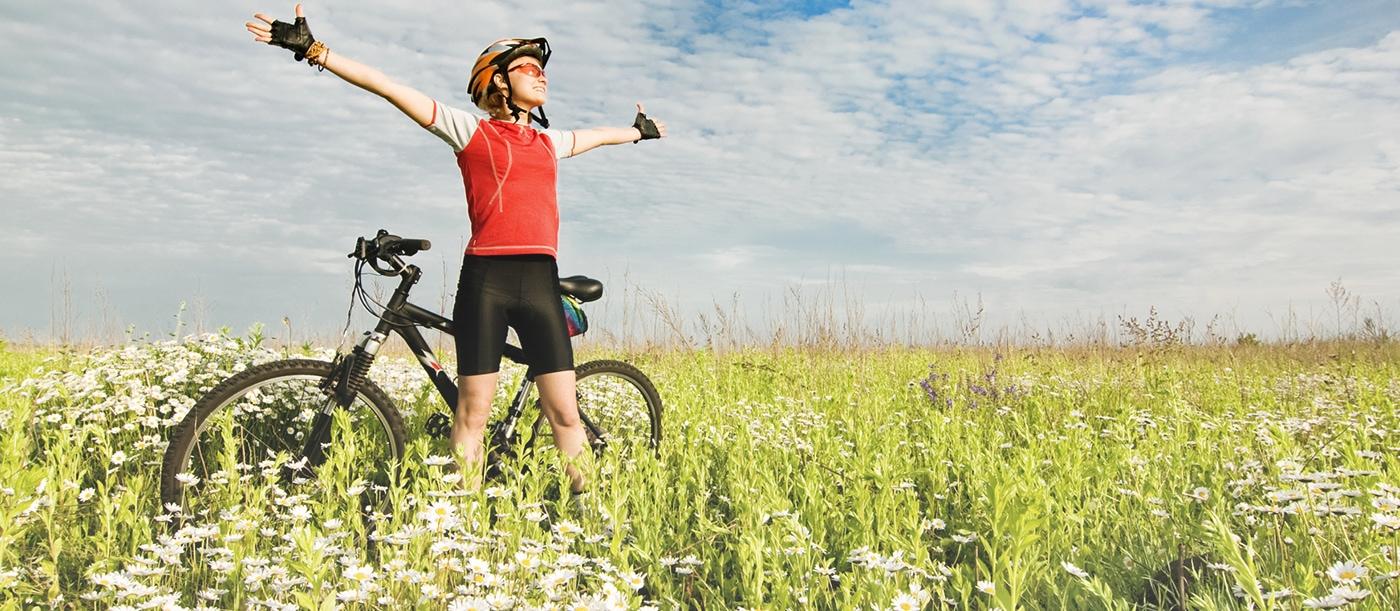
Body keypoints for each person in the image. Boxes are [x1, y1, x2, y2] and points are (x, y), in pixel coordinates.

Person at [245, 4, 666, 494]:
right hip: (486, 282)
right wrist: (317, 51)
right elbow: (388, 87)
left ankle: (591, 516)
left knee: (565, 416)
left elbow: (597, 137)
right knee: (471, 415)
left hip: (540, 283)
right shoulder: (470, 130)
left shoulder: (549, 143)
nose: (541, 75)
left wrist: (637, 131)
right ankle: (468, 520)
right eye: (528, 67)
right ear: (499, 81)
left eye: (543, 69)